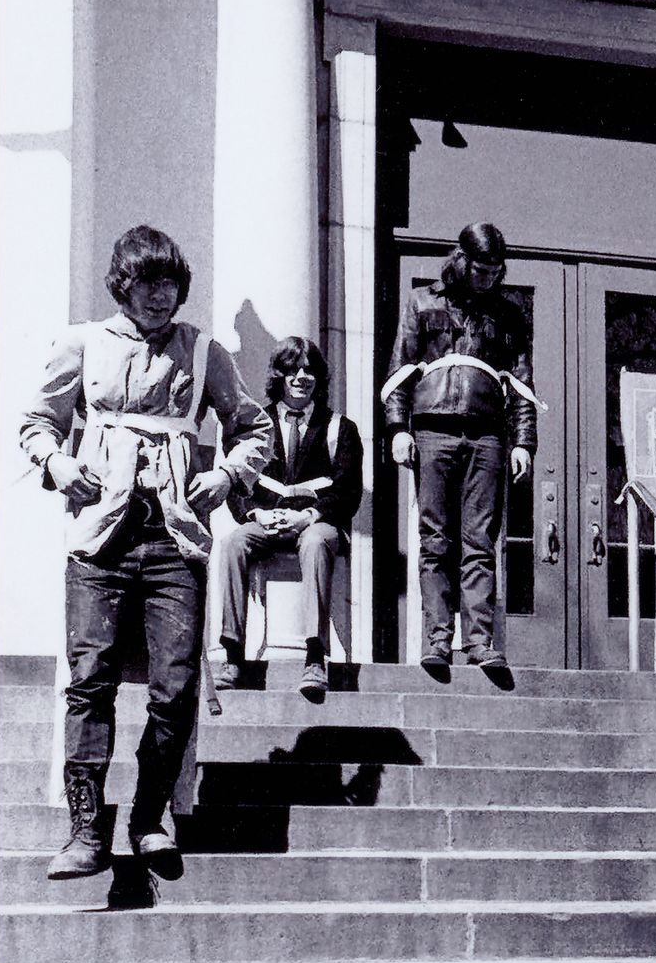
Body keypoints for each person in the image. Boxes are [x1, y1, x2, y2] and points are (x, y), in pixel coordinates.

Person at [20, 225, 272, 878]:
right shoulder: (82, 343)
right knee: (89, 681)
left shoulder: (204, 351)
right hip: (99, 537)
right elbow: (37, 422)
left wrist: (227, 475)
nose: (160, 297)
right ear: (122, 283)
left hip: (175, 538)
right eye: (146, 283)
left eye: (170, 284)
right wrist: (55, 462)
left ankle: (149, 818)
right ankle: (84, 832)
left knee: (176, 685)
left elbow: (253, 426)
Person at [382, 222, 537, 681]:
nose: (487, 278)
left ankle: (479, 642)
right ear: (461, 260)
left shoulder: (510, 315)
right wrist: (397, 428)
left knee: (479, 541)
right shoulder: (422, 302)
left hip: (487, 435)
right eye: (480, 268)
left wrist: (523, 441)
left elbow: (523, 384)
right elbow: (400, 370)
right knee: (435, 540)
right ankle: (437, 640)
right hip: (432, 432)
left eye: (495, 270)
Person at [216, 337, 364, 701]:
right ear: (278, 375)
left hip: (317, 524)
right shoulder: (254, 425)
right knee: (233, 542)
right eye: (292, 369)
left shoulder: (341, 428)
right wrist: (257, 514)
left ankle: (314, 658)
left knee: (314, 542)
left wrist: (309, 516)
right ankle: (232, 655)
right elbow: (237, 484)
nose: (301, 377)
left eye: (309, 370)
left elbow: (348, 492)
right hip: (266, 520)